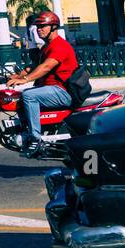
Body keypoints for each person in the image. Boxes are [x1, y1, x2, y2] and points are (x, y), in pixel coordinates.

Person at [7, 11, 78, 152]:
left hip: (62, 91)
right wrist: (16, 76)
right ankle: (25, 131)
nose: (39, 29)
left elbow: (46, 67)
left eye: (42, 26)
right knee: (18, 97)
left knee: (29, 95)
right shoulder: (47, 46)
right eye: (37, 26)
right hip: (50, 89)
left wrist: (25, 80)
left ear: (53, 27)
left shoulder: (60, 46)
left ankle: (35, 138)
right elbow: (34, 66)